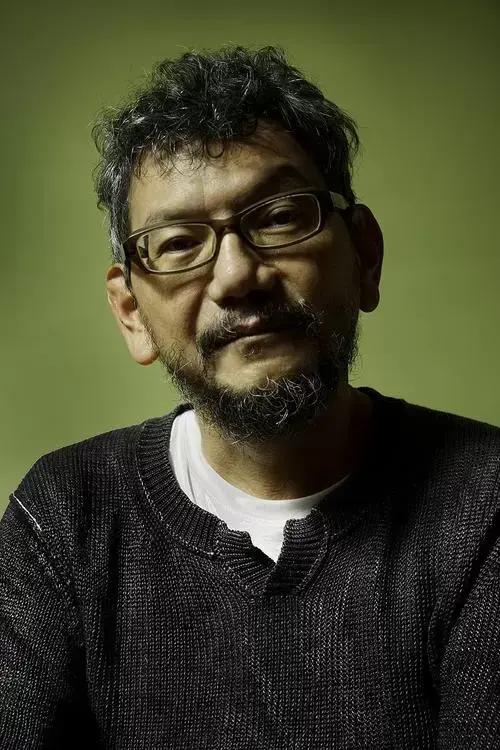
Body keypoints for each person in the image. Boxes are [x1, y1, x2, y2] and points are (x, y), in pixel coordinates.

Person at [1, 45, 499, 750]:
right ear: (132, 313)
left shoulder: (485, 502)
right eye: (178, 244)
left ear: (365, 256)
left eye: (280, 217)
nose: (237, 276)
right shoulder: (63, 516)